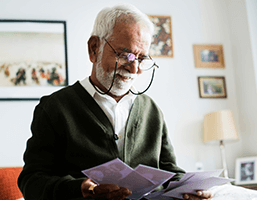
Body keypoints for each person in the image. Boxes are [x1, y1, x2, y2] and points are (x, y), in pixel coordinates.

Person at [18, 4, 213, 200]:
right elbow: (31, 181)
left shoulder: (151, 110)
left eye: (142, 58)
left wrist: (191, 189)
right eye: (125, 54)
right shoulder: (54, 108)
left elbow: (169, 172)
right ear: (94, 48)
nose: (134, 69)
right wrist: (80, 190)